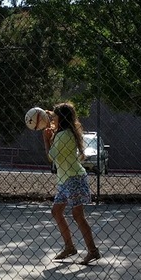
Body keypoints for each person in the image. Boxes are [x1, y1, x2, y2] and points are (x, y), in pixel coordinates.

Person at [43, 102, 100, 264]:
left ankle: (93, 250)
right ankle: (70, 247)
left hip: (73, 178)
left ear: (62, 119)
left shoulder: (63, 136)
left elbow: (51, 157)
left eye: (55, 117)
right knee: (56, 211)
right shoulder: (65, 133)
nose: (53, 120)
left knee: (77, 215)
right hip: (65, 179)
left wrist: (46, 140)